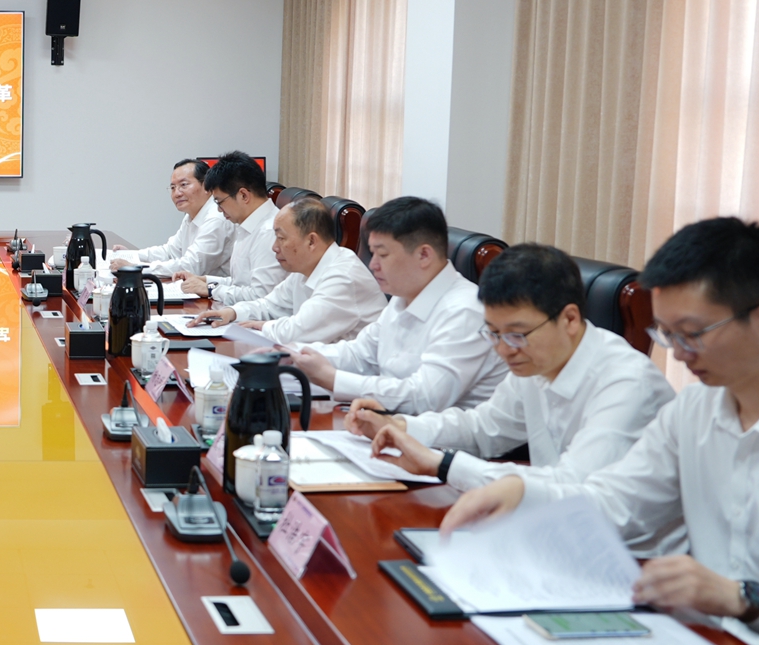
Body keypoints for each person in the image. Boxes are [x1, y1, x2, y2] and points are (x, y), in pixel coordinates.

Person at [443, 218, 759, 645]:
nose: (677, 355)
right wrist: (521, 491)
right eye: (667, 334)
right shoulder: (693, 412)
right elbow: (617, 502)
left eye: (692, 334)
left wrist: (747, 599)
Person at [345, 244, 674, 503]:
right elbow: (483, 428)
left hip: (635, 555)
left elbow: (574, 484)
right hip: (553, 525)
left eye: (517, 334)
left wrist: (442, 465)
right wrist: (400, 426)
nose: (503, 349)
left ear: (570, 319)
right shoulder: (534, 360)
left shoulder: (626, 383)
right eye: (493, 333)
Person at [285, 196, 509, 412]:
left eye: (382, 255)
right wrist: (289, 354)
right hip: (394, 424)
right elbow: (360, 354)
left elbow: (426, 397)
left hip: (442, 434)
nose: (373, 265)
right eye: (372, 253)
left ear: (424, 255)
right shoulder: (403, 296)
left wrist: (334, 379)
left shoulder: (465, 311)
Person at [195, 197, 381, 345]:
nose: (274, 247)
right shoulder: (305, 268)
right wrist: (232, 312)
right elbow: (269, 305)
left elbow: (299, 332)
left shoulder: (343, 276)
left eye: (281, 238)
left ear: (311, 241)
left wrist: (266, 326)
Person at [186, 151, 285, 305]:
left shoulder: (269, 232)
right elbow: (240, 282)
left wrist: (211, 289)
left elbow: (261, 296)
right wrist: (206, 280)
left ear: (244, 195)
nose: (219, 209)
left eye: (220, 202)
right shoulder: (247, 225)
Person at [110, 158, 231, 279]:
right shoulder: (191, 216)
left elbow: (191, 266)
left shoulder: (217, 217)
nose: (177, 193)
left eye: (183, 185)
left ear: (206, 186)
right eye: (173, 187)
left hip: (219, 290)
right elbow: (170, 252)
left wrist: (136, 268)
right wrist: (132, 256)